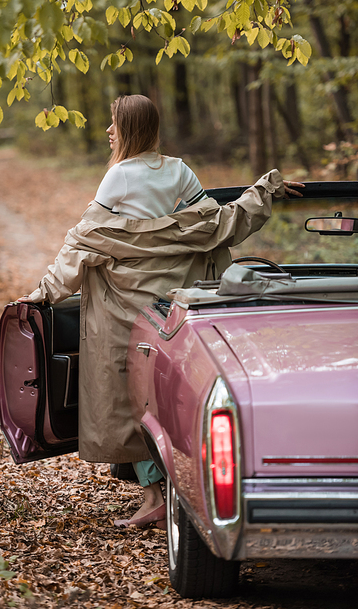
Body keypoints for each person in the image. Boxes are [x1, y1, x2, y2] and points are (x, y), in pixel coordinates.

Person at [18, 94, 304, 530]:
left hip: (126, 308)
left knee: (130, 398)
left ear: (129, 128)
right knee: (166, 393)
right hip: (174, 302)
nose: (109, 132)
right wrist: (263, 191)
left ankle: (154, 495)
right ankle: (175, 489)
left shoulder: (118, 179)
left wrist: (43, 294)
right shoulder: (180, 170)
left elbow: (83, 248)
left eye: (114, 124)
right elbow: (218, 224)